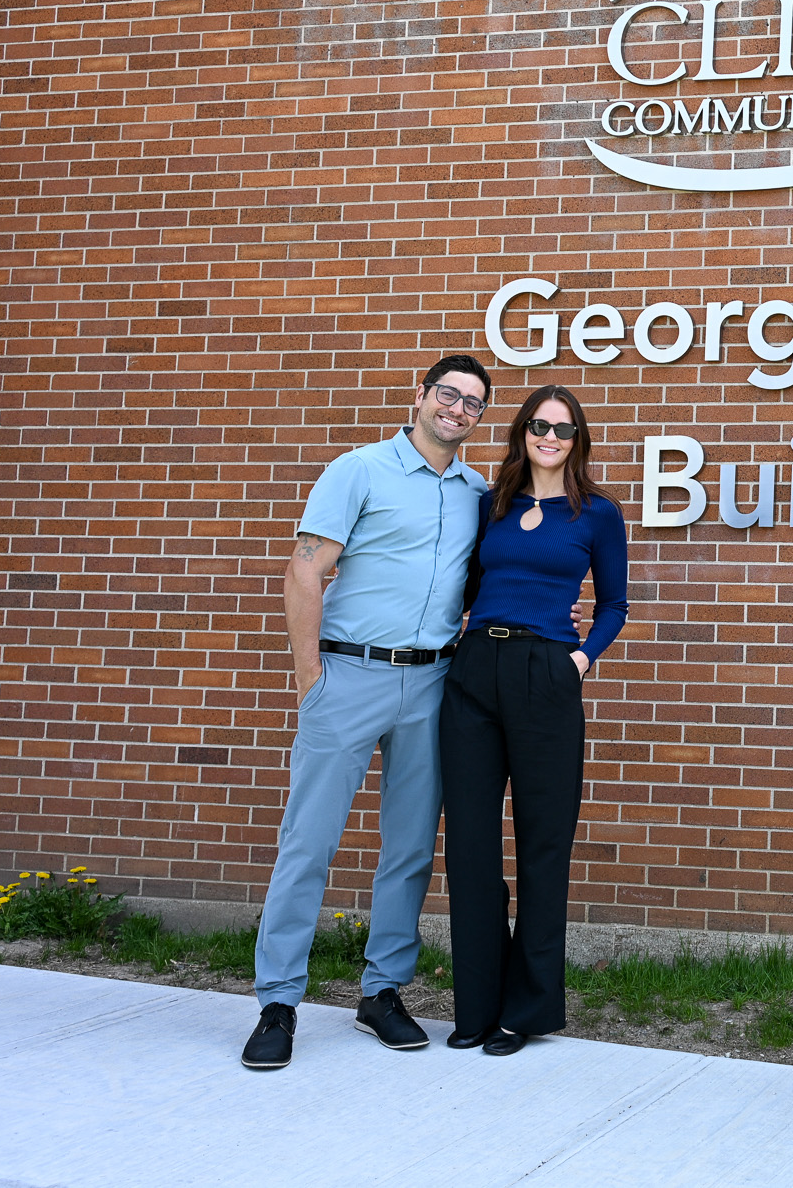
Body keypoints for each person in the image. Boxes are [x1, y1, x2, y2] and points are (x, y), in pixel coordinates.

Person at [243, 354, 493, 1070]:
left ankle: (381, 991)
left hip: (434, 684)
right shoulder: (359, 469)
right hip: (347, 674)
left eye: (472, 403)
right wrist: (309, 679)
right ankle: (278, 1001)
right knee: (309, 842)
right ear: (420, 395)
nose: (457, 409)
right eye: (448, 394)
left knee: (411, 847)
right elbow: (304, 567)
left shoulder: (477, 491)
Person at [439, 385, 630, 1056]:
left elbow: (614, 604)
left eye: (564, 428)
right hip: (472, 675)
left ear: (579, 440)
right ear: (522, 431)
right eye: (539, 425)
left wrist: (579, 661)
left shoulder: (597, 513)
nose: (550, 437)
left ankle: (527, 1009)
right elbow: (462, 585)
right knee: (468, 841)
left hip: (546, 673)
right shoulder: (491, 504)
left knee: (543, 844)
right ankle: (477, 1007)